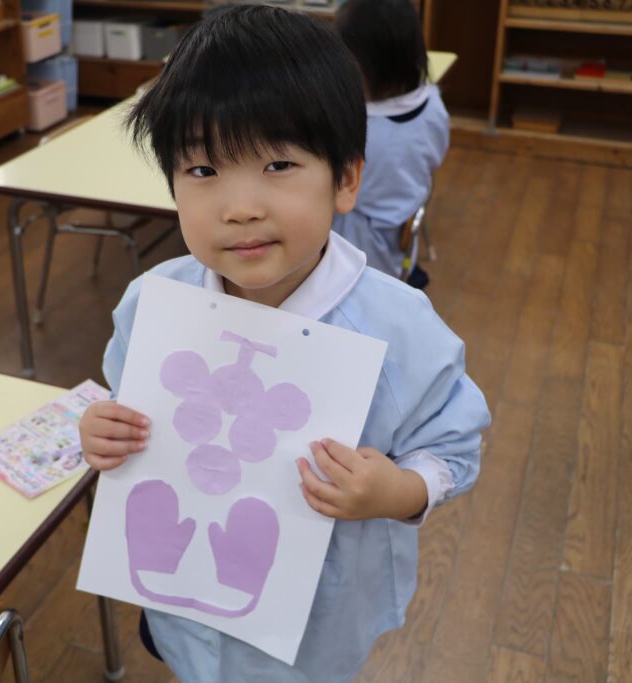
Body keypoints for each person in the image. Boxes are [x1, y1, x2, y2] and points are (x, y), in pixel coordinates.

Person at [78, 6, 490, 682]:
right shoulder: (154, 301)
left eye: (278, 163)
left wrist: (397, 490)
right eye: (202, 170)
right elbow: (127, 406)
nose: (240, 207)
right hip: (182, 596)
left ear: (346, 179)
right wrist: (102, 431)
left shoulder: (397, 326)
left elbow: (453, 447)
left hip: (317, 626)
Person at [332, 0, 450, 289]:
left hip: (363, 250)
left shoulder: (362, 132)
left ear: (369, 67)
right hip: (402, 224)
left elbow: (335, 190)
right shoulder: (433, 102)